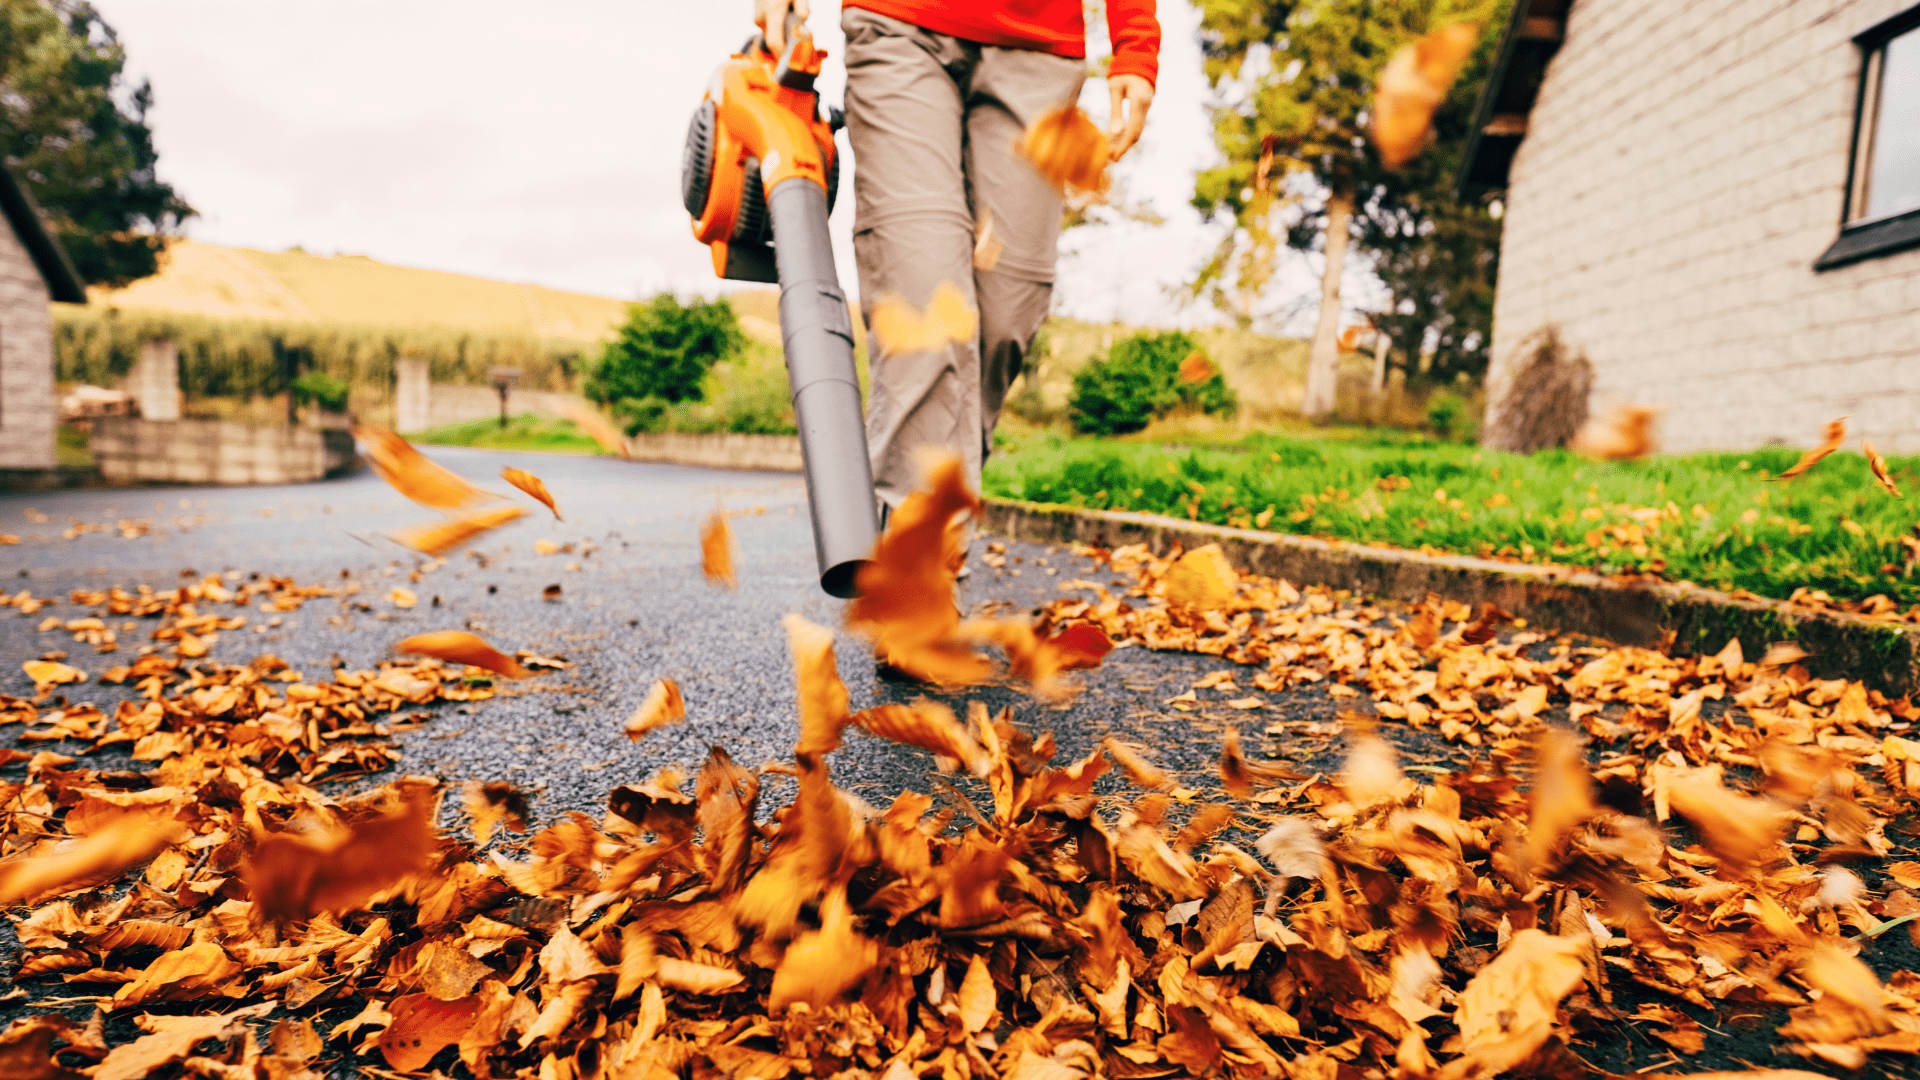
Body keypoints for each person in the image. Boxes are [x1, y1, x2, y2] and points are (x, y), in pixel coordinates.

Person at [755, 0, 1160, 515]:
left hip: (1042, 47)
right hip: (900, 25)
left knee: (1008, 309)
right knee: (927, 306)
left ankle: (927, 533)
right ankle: (916, 569)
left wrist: (1136, 43)